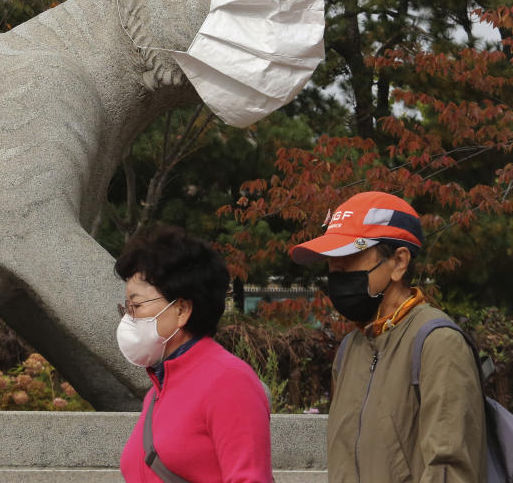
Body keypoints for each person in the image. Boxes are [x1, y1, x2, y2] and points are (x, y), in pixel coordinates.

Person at [291, 191, 486, 482]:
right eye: (331, 261)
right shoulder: (350, 349)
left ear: (398, 262)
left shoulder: (438, 343)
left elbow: (449, 467)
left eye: (349, 256)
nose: (337, 271)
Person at [116, 225, 273, 483]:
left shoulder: (230, 381)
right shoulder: (158, 388)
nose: (128, 318)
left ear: (181, 310)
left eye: (136, 305)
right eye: (127, 307)